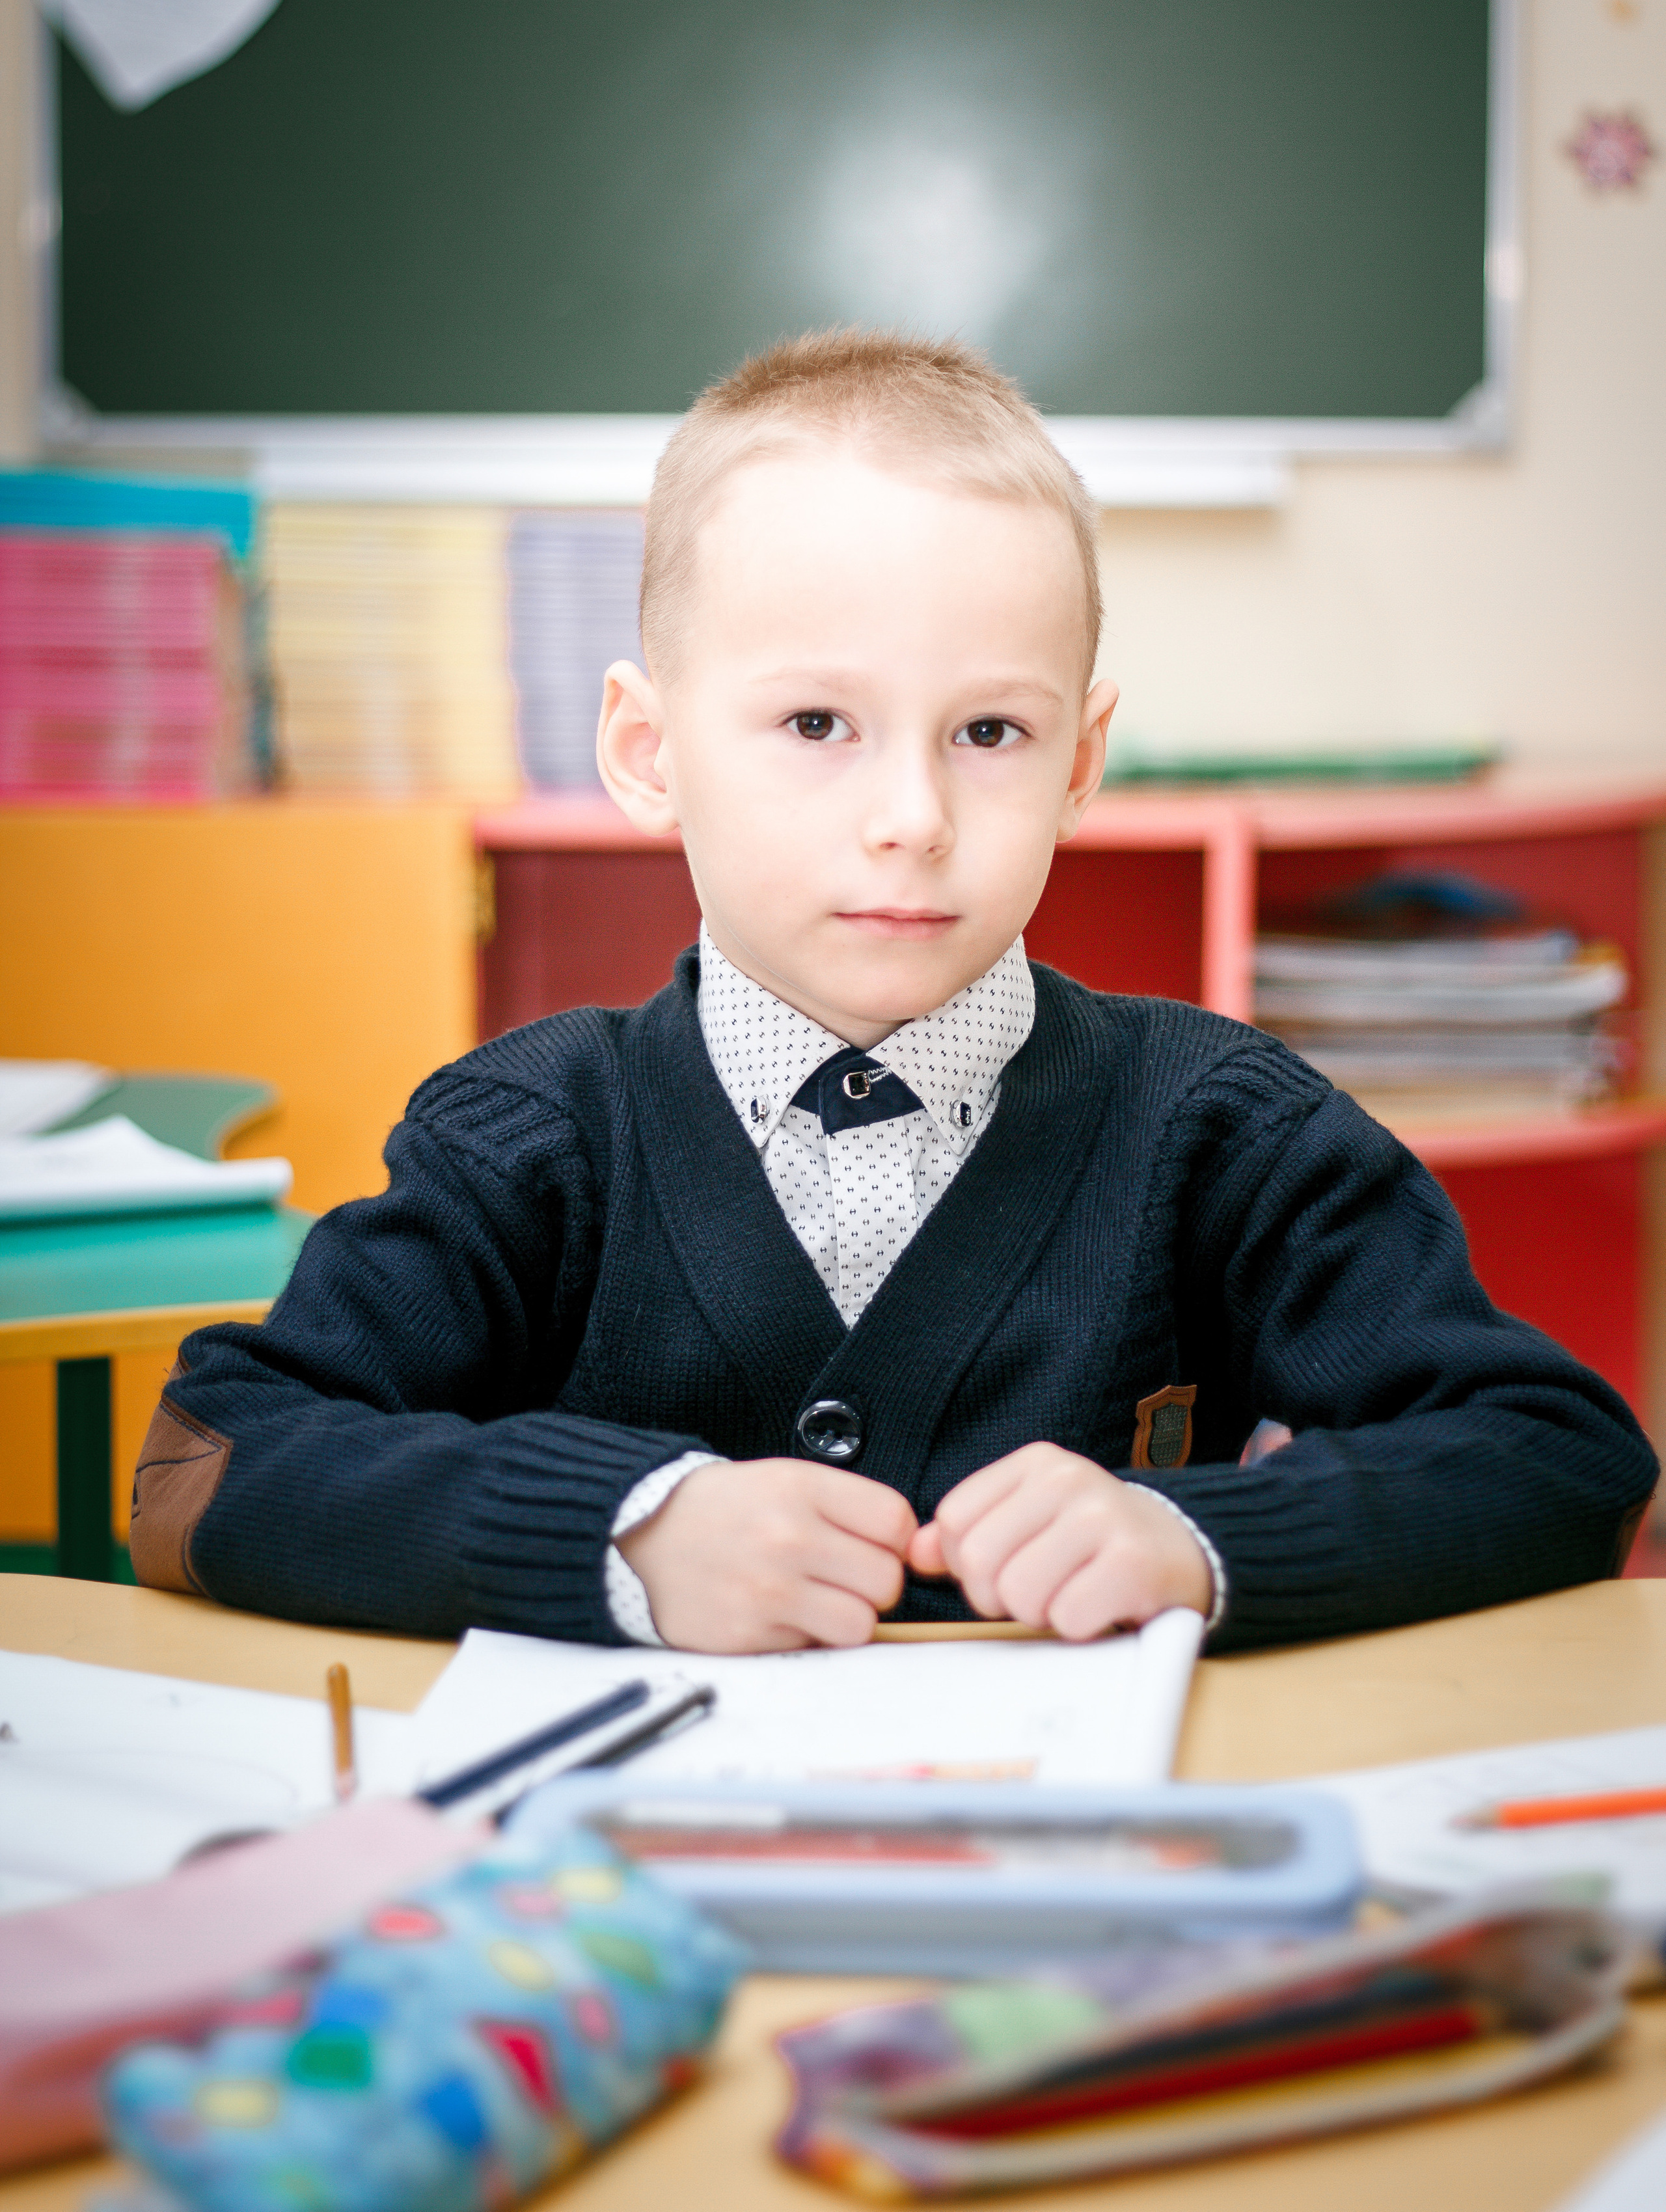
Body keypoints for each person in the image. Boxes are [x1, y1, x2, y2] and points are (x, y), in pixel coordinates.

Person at [130, 330, 1657, 1653]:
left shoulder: (1222, 1130)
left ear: (1079, 762)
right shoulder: (526, 1135)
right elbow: (206, 1467)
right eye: (816, 723)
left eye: (988, 734)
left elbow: (1558, 1457)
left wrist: (1198, 1544)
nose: (912, 818)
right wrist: (621, 1534)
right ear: (648, 754)